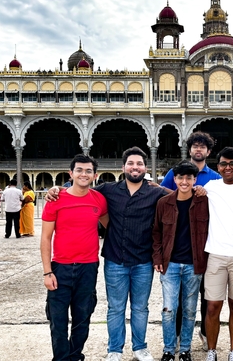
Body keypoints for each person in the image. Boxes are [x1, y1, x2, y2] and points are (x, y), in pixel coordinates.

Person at [47, 146, 170, 361]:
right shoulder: (107, 190)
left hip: (143, 261)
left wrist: (196, 190)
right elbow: (80, 188)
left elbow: (180, 195)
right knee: (115, 309)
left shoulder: (155, 192)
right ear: (123, 167)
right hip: (115, 260)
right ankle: (115, 350)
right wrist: (57, 188)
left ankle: (140, 347)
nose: (135, 167)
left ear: (145, 167)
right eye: (131, 163)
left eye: (139, 163)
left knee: (140, 308)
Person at [40, 154, 109, 361]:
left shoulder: (99, 200)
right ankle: (61, 358)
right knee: (58, 319)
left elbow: (111, 228)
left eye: (88, 171)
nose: (84, 174)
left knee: (83, 317)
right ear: (71, 173)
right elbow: (45, 238)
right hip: (60, 267)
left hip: (88, 267)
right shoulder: (56, 199)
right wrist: (47, 271)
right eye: (79, 170)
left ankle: (76, 355)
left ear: (95, 175)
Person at [160, 131, 220, 351]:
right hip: (179, 243)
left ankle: (204, 332)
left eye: (202, 147)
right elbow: (163, 193)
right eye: (195, 146)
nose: (198, 149)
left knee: (206, 293)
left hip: (205, 244)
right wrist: (186, 192)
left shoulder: (214, 177)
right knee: (176, 297)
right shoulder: (176, 173)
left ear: (208, 151)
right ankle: (176, 336)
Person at [153, 161, 209, 361]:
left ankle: (185, 349)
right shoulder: (164, 203)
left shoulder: (204, 202)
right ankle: (169, 349)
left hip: (194, 264)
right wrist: (158, 257)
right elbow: (157, 233)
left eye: (189, 178)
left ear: (195, 180)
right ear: (174, 179)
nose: (184, 181)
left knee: (189, 309)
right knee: (169, 309)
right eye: (180, 177)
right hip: (170, 264)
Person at [203, 147, 233, 361]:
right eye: (223, 164)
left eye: (232, 163)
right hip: (216, 254)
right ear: (218, 167)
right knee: (213, 305)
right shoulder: (210, 186)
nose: (228, 167)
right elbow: (184, 190)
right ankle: (212, 350)